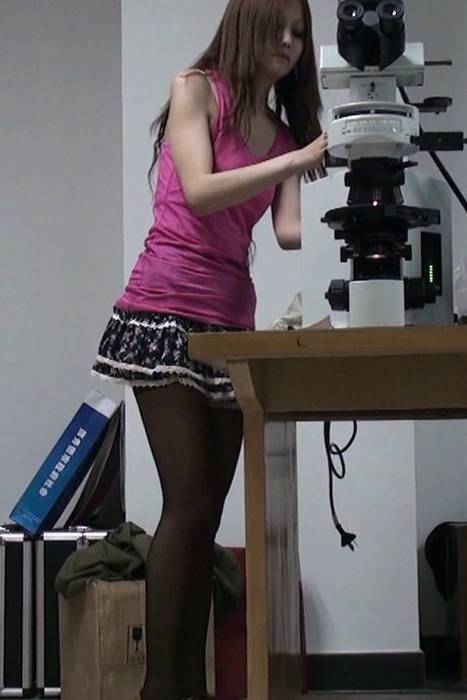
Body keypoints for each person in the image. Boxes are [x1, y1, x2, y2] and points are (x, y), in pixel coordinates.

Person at [92, 0, 327, 697]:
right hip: (163, 310)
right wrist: (293, 159)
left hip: (231, 324)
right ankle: (159, 689)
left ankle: (188, 689)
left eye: (299, 33)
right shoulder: (195, 90)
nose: (289, 42)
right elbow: (198, 192)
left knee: (205, 519)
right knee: (188, 504)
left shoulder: (285, 137)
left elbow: (288, 232)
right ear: (246, 25)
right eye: (279, 27)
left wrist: (341, 181)